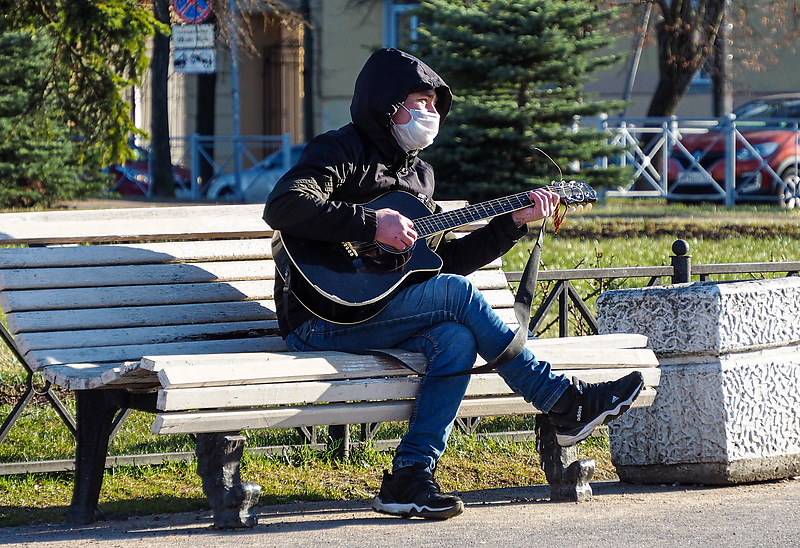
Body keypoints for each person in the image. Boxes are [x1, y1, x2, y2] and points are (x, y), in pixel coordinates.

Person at [264, 48, 643, 520]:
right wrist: (369, 224)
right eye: (417, 101)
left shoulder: (419, 174)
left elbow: (443, 263)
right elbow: (282, 206)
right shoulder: (341, 149)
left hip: (382, 315)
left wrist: (513, 224)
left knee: (455, 337)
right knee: (459, 299)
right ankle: (562, 400)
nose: (429, 112)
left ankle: (408, 477)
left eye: (433, 104)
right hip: (321, 319)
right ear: (385, 104)